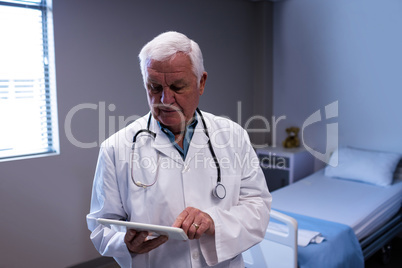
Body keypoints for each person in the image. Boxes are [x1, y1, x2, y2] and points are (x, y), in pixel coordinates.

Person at [86, 31, 272, 268]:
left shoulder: (233, 136)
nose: (165, 99)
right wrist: (125, 243)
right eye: (154, 88)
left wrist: (213, 221)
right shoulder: (116, 148)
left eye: (177, 87)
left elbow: (258, 207)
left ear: (201, 82)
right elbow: (101, 226)